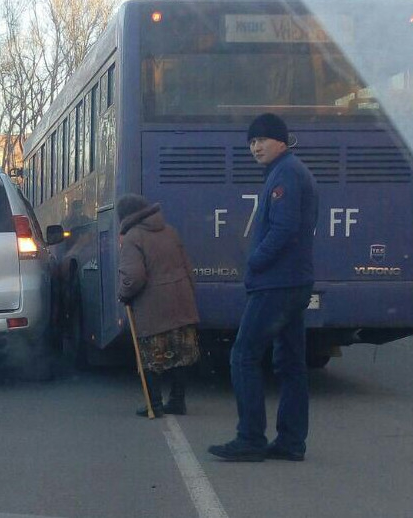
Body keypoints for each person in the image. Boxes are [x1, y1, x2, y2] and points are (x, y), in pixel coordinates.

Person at [209, 113, 319, 463]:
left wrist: (255, 260)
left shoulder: (285, 174)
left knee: (243, 355)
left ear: (281, 142)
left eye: (262, 139)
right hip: (294, 281)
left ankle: (251, 438)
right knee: (290, 363)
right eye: (251, 141)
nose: (255, 146)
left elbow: (284, 229)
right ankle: (290, 441)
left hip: (277, 283)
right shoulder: (290, 170)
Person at [117, 193, 200, 418]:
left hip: (153, 307)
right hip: (182, 302)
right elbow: (188, 268)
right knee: (181, 354)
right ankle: (177, 400)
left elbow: (134, 276)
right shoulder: (170, 231)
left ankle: (154, 404)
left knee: (151, 357)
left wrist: (124, 294)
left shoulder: (133, 238)